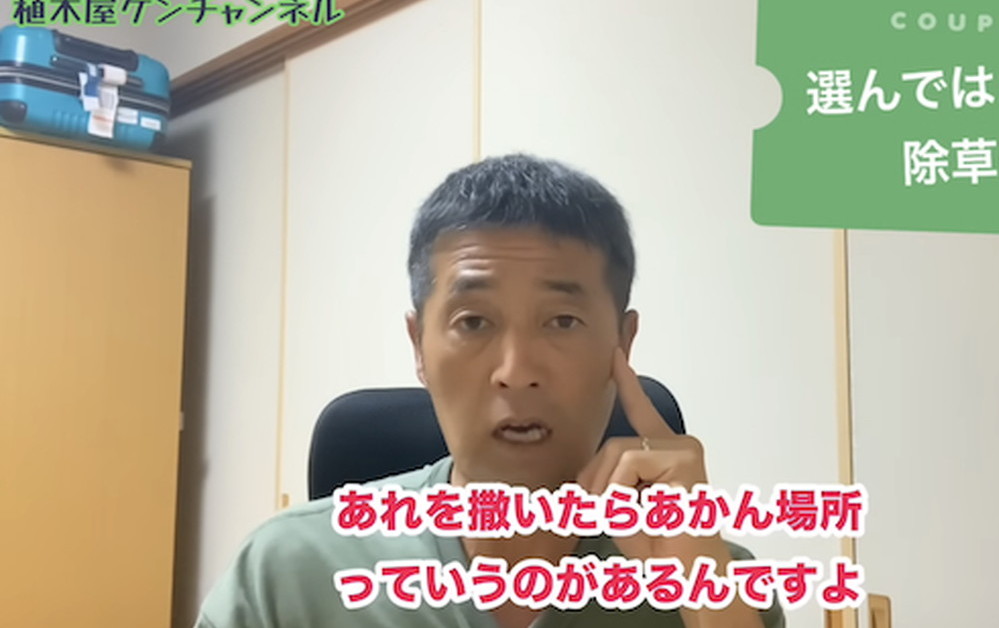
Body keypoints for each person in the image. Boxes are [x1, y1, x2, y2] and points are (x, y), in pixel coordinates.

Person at [195, 154, 785, 628]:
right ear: (419, 346)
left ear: (622, 345)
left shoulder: (709, 575)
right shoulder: (289, 572)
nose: (516, 371)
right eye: (474, 321)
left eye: (562, 321)